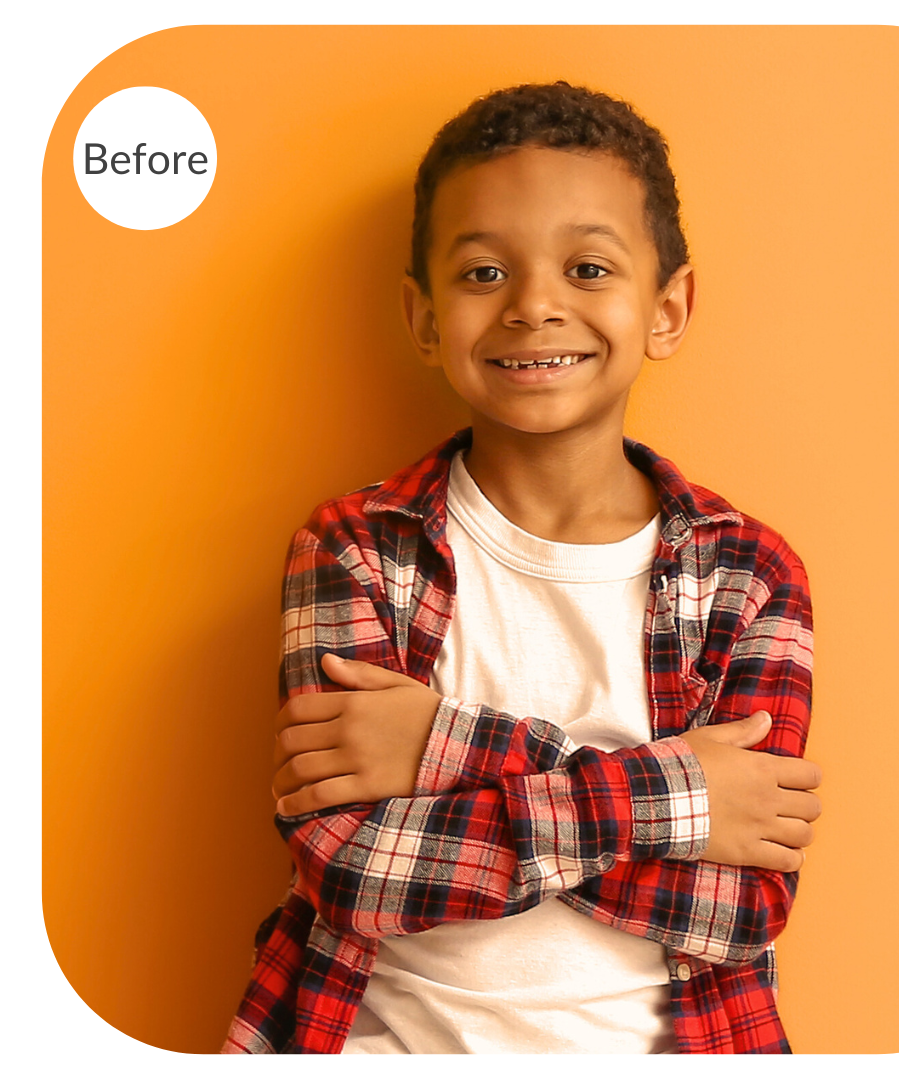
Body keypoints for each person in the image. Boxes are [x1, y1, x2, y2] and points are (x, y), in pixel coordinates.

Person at [223, 82, 821, 1056]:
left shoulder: (750, 575)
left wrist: (441, 749)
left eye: (587, 268)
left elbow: (737, 905)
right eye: (484, 273)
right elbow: (356, 871)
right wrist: (678, 796)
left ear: (666, 310)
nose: (536, 305)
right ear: (423, 320)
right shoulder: (354, 548)